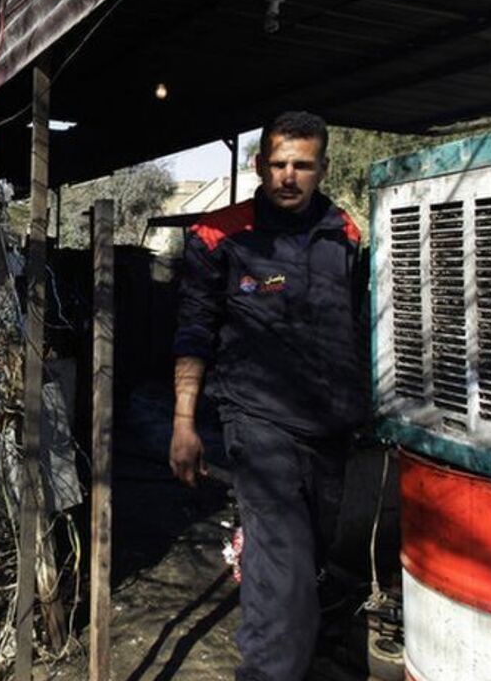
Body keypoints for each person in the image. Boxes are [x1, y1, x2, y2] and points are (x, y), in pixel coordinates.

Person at [169, 111, 367, 680]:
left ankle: (311, 653)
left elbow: (356, 325)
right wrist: (185, 423)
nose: (288, 176)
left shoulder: (343, 231)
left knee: (312, 558)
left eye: (302, 165)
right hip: (257, 422)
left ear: (322, 168)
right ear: (259, 165)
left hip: (330, 425)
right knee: (282, 568)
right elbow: (193, 332)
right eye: (278, 163)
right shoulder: (219, 235)